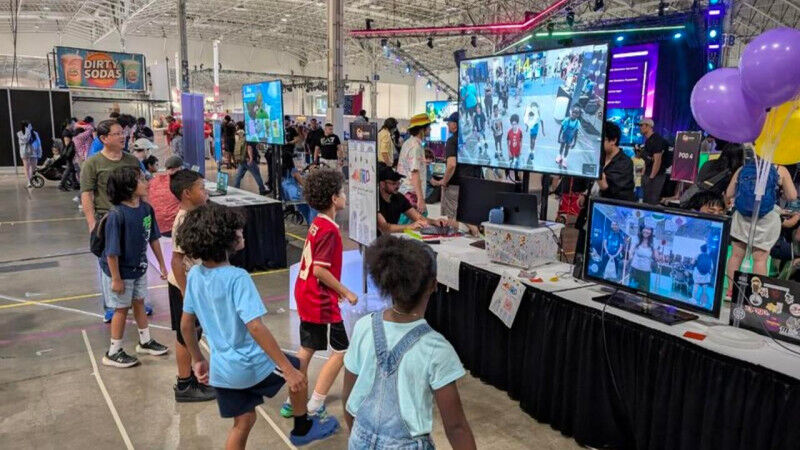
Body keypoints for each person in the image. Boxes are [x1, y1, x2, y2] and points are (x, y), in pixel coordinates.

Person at [176, 204, 340, 448]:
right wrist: (286, 369)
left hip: (222, 370)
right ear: (225, 240)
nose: (243, 234)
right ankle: (302, 427)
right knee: (298, 370)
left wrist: (198, 358)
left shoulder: (196, 276)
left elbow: (186, 325)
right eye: (239, 231)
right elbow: (255, 327)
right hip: (250, 365)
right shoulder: (237, 278)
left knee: (243, 421)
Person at [343, 235, 476, 449]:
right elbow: (456, 427)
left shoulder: (363, 326)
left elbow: (348, 396)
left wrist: (358, 437)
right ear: (433, 285)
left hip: (360, 437)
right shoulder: (436, 348)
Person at [286, 168, 358, 420]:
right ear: (333, 199)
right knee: (342, 351)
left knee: (307, 347)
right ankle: (315, 403)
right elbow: (319, 270)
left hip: (305, 294)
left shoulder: (318, 223)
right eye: (341, 191)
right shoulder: (329, 231)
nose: (345, 194)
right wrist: (345, 291)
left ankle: (292, 397)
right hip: (320, 299)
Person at [99, 166, 169, 368]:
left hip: (139, 268)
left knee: (139, 302)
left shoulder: (146, 209)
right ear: (129, 187)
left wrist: (162, 265)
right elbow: (111, 252)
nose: (146, 182)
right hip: (121, 271)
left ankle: (145, 341)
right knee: (121, 308)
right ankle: (113, 351)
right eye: (141, 180)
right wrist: (116, 278)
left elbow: (154, 238)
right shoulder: (116, 215)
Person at [80, 120, 144, 322]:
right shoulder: (92, 163)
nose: (122, 136)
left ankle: (137, 301)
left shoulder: (132, 161)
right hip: (108, 220)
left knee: (135, 260)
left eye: (122, 132)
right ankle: (111, 306)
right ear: (104, 139)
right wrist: (92, 223)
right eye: (117, 134)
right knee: (110, 263)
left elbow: (142, 187)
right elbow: (87, 194)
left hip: (132, 220)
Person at [164, 169, 216, 402]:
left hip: (194, 286)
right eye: (200, 188)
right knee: (186, 335)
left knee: (193, 333)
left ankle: (192, 378)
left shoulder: (195, 213)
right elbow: (176, 261)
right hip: (183, 288)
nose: (204, 191)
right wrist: (187, 294)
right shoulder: (183, 221)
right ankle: (185, 384)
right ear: (187, 193)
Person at [725, 155, 797, 295]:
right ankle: (755, 294)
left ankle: (731, 290)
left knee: (736, 255)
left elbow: (729, 193)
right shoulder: (780, 170)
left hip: (742, 217)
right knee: (760, 259)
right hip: (767, 219)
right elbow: (792, 196)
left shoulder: (744, 168)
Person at [377, 166, 446, 235]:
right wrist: (410, 227)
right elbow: (384, 228)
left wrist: (434, 222)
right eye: (393, 183)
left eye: (399, 182)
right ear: (382, 184)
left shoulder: (399, 197)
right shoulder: (375, 201)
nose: (397, 186)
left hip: (387, 239)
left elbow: (418, 217)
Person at [397, 113, 432, 214]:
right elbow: (415, 173)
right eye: (428, 127)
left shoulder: (408, 142)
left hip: (405, 191)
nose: (430, 130)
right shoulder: (416, 147)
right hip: (412, 193)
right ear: (422, 129)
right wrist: (420, 199)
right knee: (419, 224)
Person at [597, 121, 635, 201]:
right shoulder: (600, 156)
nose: (598, 143)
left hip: (613, 208)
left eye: (602, 139)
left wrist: (596, 171)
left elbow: (607, 189)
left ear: (613, 141)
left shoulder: (625, 163)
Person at [148, 155, 185, 235]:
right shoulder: (181, 182)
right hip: (174, 227)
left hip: (155, 227)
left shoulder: (154, 180)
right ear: (180, 168)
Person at [638, 118, 670, 205]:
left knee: (651, 201)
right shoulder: (648, 140)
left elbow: (657, 160)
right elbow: (647, 160)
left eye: (641, 125)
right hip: (648, 174)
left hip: (656, 176)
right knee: (645, 200)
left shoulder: (656, 140)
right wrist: (643, 174)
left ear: (648, 126)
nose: (640, 127)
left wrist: (651, 178)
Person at [628, 226, 656, 292]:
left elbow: (655, 257)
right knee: (631, 291)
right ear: (642, 229)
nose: (646, 231)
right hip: (635, 269)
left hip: (646, 272)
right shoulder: (636, 239)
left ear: (651, 232)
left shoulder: (653, 243)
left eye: (649, 229)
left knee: (644, 292)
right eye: (645, 228)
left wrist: (659, 257)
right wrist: (630, 256)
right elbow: (631, 251)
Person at [16, 121, 41, 187]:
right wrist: (28, 131)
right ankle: (29, 181)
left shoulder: (35, 133)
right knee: (26, 167)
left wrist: (39, 152)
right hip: (24, 153)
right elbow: (25, 140)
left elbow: (38, 142)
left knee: (33, 168)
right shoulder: (19, 134)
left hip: (33, 152)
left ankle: (32, 180)